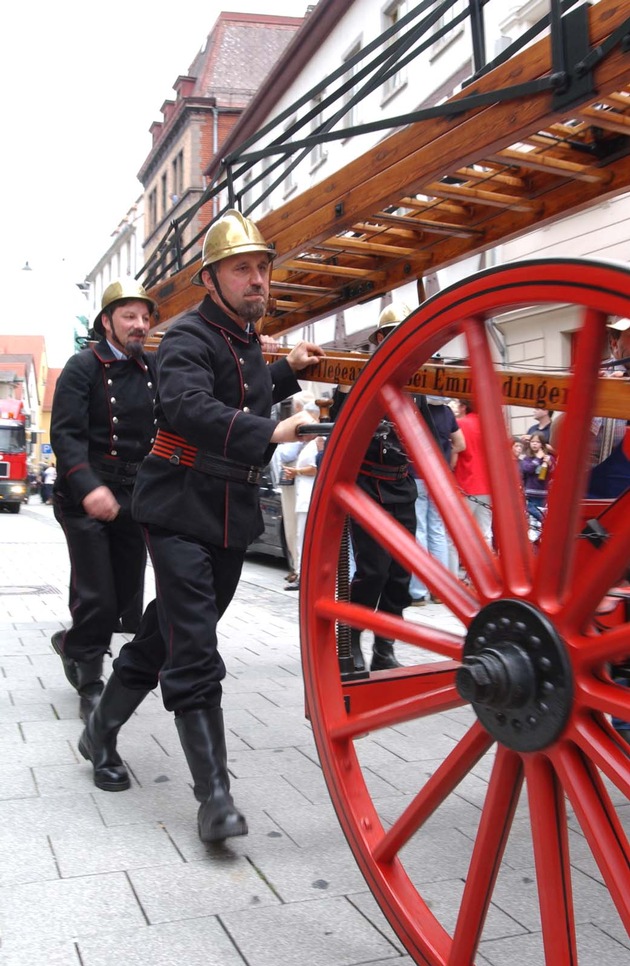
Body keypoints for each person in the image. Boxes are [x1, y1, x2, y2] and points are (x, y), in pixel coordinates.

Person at [78, 209, 324, 844]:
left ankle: (100, 730)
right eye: (242, 269)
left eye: (263, 268)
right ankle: (214, 796)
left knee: (166, 632)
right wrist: (270, 429)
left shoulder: (241, 339)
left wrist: (288, 370)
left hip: (229, 513)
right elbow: (189, 404)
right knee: (195, 644)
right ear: (211, 279)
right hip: (179, 506)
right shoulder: (187, 334)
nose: (257, 280)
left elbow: (240, 387)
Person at [50, 279, 158, 721]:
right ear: (106, 321)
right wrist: (89, 486)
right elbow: (66, 435)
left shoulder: (152, 368)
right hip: (84, 493)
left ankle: (72, 644)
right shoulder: (82, 366)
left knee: (125, 596)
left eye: (145, 317)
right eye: (129, 316)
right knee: (97, 593)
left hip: (135, 495)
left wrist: (281, 372)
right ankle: (91, 681)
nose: (139, 325)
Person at [331, 303, 417, 672]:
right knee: (373, 571)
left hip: (402, 485)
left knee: (401, 573)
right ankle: (352, 638)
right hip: (368, 485)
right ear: (380, 339)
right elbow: (341, 427)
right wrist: (343, 393)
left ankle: (386, 645)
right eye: (395, 332)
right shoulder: (361, 379)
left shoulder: (419, 383)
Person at [409, 395, 465, 605]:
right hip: (440, 476)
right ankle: (440, 590)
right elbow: (460, 443)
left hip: (417, 474)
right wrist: (447, 458)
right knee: (438, 531)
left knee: (419, 531)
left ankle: (418, 590)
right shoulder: (447, 412)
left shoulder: (414, 411)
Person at [282, 401, 322, 591]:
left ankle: (303, 575)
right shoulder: (310, 444)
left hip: (308, 496)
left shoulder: (317, 443)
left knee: (304, 536)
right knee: (301, 535)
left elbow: (316, 468)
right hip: (304, 495)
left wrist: (296, 471)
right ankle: (301, 573)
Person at [450, 399, 492, 574]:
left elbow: (456, 453)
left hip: (466, 482)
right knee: (484, 532)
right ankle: (487, 572)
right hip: (487, 485)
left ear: (463, 406)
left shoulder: (461, 424)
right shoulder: (489, 426)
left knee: (458, 534)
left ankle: (460, 572)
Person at [519, 432, 554, 523]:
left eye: (537, 442)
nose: (534, 444)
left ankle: (545, 522)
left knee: (536, 518)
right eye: (532, 441)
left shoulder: (549, 457)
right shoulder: (527, 458)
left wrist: (549, 464)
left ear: (542, 444)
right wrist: (538, 458)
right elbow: (527, 469)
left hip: (543, 493)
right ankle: (546, 521)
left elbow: (554, 473)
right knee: (531, 512)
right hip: (530, 492)